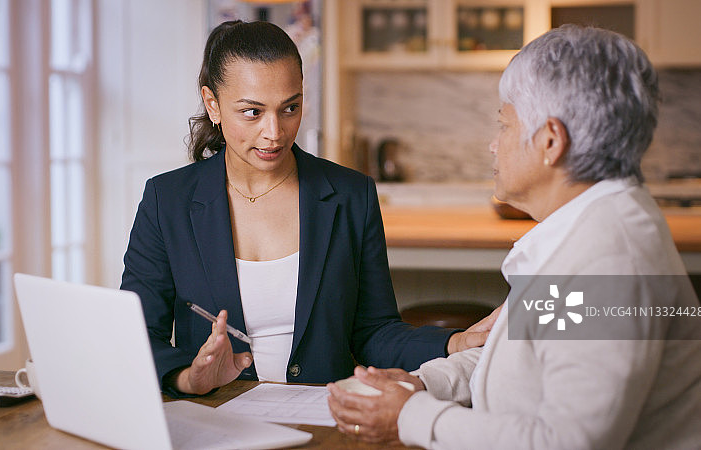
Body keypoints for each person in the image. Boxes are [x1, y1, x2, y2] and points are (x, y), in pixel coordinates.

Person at [326, 25, 701, 448]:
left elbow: (567, 441)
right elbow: (515, 354)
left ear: (551, 141)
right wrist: (423, 383)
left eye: (504, 125)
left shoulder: (608, 261)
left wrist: (410, 417)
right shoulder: (586, 228)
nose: (493, 145)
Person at [120, 20, 496, 398]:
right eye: (252, 112)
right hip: (215, 418)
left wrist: (455, 344)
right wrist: (189, 378)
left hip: (324, 417)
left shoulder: (351, 194)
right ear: (212, 104)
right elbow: (136, 335)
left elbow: (374, 332)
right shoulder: (166, 201)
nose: (274, 132)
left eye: (290, 108)